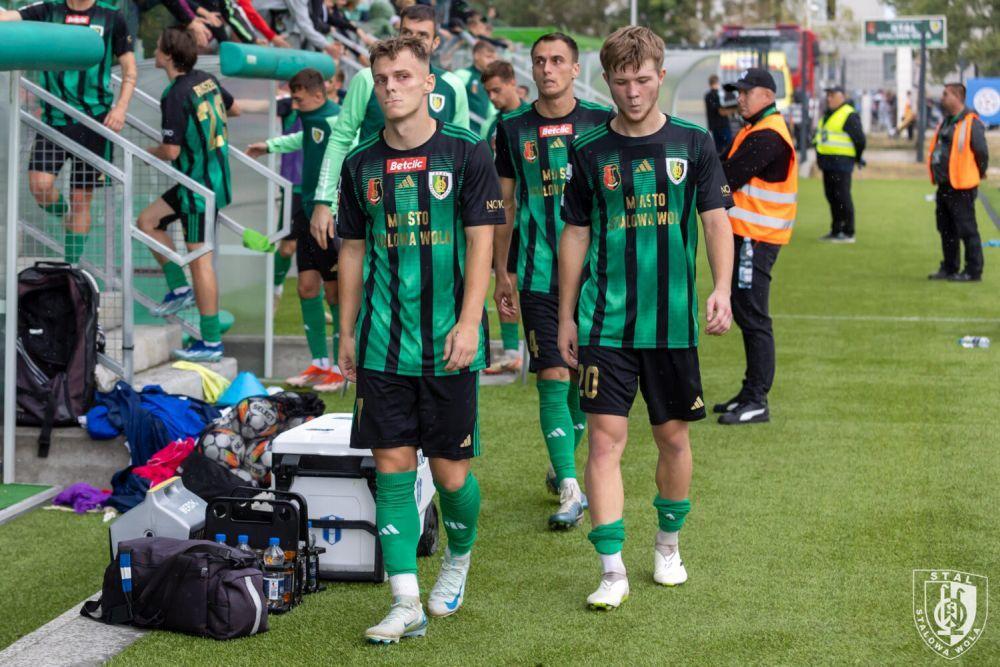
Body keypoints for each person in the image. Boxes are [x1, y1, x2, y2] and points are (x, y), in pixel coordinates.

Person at [331, 35, 502, 644]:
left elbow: (482, 239)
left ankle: (458, 557)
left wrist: (468, 320)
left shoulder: (465, 152)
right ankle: (405, 601)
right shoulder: (360, 165)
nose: (392, 88)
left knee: (452, 475)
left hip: (448, 342)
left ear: (430, 82)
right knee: (393, 468)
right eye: (382, 79)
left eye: (403, 76)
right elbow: (352, 250)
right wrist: (345, 331)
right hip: (381, 342)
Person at [558, 26, 733, 610]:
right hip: (604, 323)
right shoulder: (588, 152)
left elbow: (715, 220)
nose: (632, 92)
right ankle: (611, 571)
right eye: (621, 81)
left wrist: (723, 289)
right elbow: (575, 234)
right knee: (605, 443)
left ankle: (667, 545)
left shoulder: (695, 143)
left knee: (672, 439)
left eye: (642, 79)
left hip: (673, 322)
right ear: (605, 81)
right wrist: (565, 317)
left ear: (660, 76)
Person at [493, 32, 613, 530]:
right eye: (539, 60)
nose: (547, 68)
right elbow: (504, 204)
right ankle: (569, 485)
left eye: (557, 60)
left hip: (594, 276)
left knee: (585, 380)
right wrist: (502, 271)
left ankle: (562, 456)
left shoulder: (598, 124)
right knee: (551, 373)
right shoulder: (511, 128)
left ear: (575, 68)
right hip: (538, 275)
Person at [310, 3, 470, 236]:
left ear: (435, 43)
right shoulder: (368, 79)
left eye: (422, 35)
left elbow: (461, 152)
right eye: (407, 33)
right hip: (375, 200)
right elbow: (340, 139)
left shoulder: (453, 86)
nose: (414, 41)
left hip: (435, 204)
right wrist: (324, 200)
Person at [1, 0, 137, 266]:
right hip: (53, 119)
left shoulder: (111, 17)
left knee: (81, 200)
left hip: (94, 121)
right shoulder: (49, 10)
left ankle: (71, 267)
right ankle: (65, 214)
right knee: (40, 186)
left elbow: (130, 71)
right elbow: (11, 17)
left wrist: (120, 109)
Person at [137, 27, 240, 362]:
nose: (153, 50)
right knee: (147, 222)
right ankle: (179, 288)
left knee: (201, 263)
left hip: (198, 188)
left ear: (168, 55)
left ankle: (211, 342)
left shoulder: (176, 93)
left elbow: (170, 150)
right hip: (206, 181)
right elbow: (233, 109)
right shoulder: (204, 79)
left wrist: (143, 150)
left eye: (156, 46)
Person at [247, 69, 346, 391]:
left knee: (334, 292)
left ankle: (341, 367)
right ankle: (319, 363)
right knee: (306, 287)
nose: (295, 101)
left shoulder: (337, 120)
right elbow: (303, 139)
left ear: (318, 95)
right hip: (307, 209)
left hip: (328, 213)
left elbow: (354, 154)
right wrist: (270, 146)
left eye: (300, 96)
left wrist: (338, 200)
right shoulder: (311, 118)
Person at [716, 67, 797, 424]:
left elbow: (726, 176)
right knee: (747, 312)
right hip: (748, 235)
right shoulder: (754, 129)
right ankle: (750, 391)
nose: (741, 97)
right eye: (739, 91)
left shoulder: (768, 135)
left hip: (755, 238)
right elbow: (723, 166)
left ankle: (757, 399)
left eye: (747, 91)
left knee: (753, 315)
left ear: (767, 95)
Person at [479, 59, 528, 375]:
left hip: (534, 215)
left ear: (512, 82)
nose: (494, 97)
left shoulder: (530, 120)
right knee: (505, 277)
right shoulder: (491, 125)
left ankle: (534, 348)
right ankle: (512, 351)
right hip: (503, 215)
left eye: (497, 90)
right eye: (488, 92)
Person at [927, 83, 989, 282]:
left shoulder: (971, 122)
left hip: (962, 185)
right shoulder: (947, 122)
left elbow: (982, 152)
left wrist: (978, 172)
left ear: (956, 96)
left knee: (967, 229)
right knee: (946, 228)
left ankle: (973, 270)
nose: (942, 97)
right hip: (945, 184)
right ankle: (950, 267)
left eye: (945, 94)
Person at [815, 85, 865, 243]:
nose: (829, 98)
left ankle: (848, 231)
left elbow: (860, 140)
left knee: (842, 197)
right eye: (828, 95)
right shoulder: (828, 114)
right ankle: (836, 229)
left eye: (832, 95)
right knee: (832, 197)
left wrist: (856, 157)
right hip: (828, 163)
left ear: (842, 96)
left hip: (841, 163)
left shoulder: (848, 115)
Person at [455, 40, 498, 136]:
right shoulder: (462, 75)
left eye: (494, 58)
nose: (492, 61)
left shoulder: (495, 80)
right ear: (476, 56)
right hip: (467, 134)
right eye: (488, 57)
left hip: (488, 134)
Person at [704, 74, 735, 153]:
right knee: (730, 147)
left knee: (718, 149)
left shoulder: (707, 96)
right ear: (717, 82)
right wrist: (735, 110)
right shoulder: (717, 94)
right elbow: (721, 111)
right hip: (722, 125)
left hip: (714, 126)